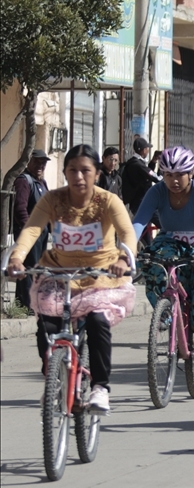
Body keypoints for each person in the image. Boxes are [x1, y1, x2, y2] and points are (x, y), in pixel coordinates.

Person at [6, 145, 137, 414]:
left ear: (97, 174)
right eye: (72, 170)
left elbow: (127, 234)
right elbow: (32, 229)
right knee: (47, 327)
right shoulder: (52, 199)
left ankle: (101, 387)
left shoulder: (108, 201)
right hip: (59, 273)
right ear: (64, 173)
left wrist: (124, 260)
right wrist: (17, 257)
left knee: (98, 321)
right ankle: (54, 379)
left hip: (99, 277)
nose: (78, 176)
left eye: (85, 170)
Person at [133, 146, 194, 385]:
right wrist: (128, 246)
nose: (174, 181)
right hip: (172, 243)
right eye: (168, 175)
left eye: (180, 175)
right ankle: (165, 310)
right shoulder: (157, 192)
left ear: (190, 173)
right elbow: (139, 220)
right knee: (152, 262)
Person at [12, 149, 51, 311]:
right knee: (28, 268)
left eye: (43, 163)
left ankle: (26, 303)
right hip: (29, 234)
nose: (40, 166)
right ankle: (28, 305)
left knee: (36, 268)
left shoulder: (41, 182)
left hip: (42, 233)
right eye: (37, 162)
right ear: (29, 162)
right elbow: (20, 209)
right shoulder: (24, 181)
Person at [121, 137, 158, 215]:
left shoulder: (136, 162)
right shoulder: (137, 164)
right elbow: (154, 176)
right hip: (140, 203)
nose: (148, 151)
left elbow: (147, 172)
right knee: (161, 221)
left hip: (140, 202)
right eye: (147, 148)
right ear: (144, 150)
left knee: (144, 226)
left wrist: (154, 160)